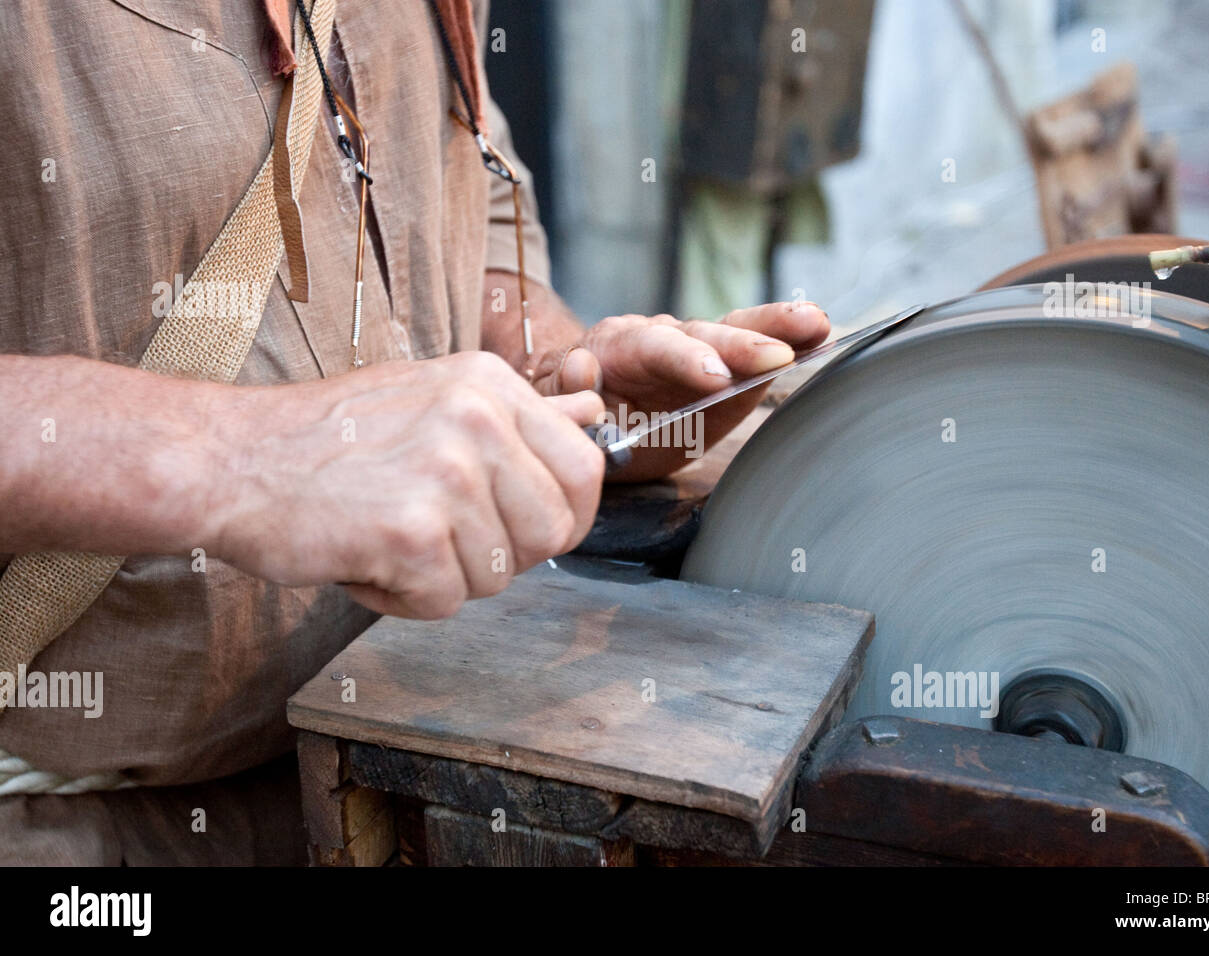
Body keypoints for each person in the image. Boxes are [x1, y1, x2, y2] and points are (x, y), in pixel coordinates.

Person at [0, 0, 828, 864]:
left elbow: (453, 204)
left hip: (402, 780)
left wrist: (553, 384)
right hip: (78, 840)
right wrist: (238, 456)